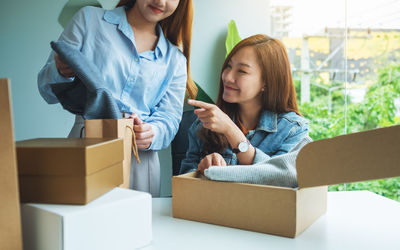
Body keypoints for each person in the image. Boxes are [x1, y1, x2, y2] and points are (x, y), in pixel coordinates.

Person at [37, 0, 197, 197]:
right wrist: (63, 73)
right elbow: (46, 89)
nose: (160, 1)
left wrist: (151, 132)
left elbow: (170, 120)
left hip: (140, 161)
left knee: (133, 226)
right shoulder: (89, 20)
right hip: (86, 143)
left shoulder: (175, 60)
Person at [180, 34, 308, 175]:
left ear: (267, 82)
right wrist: (201, 170)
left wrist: (231, 130)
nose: (227, 77)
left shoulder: (293, 130)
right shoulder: (205, 124)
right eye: (228, 66)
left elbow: (282, 178)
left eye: (242, 71)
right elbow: (184, 181)